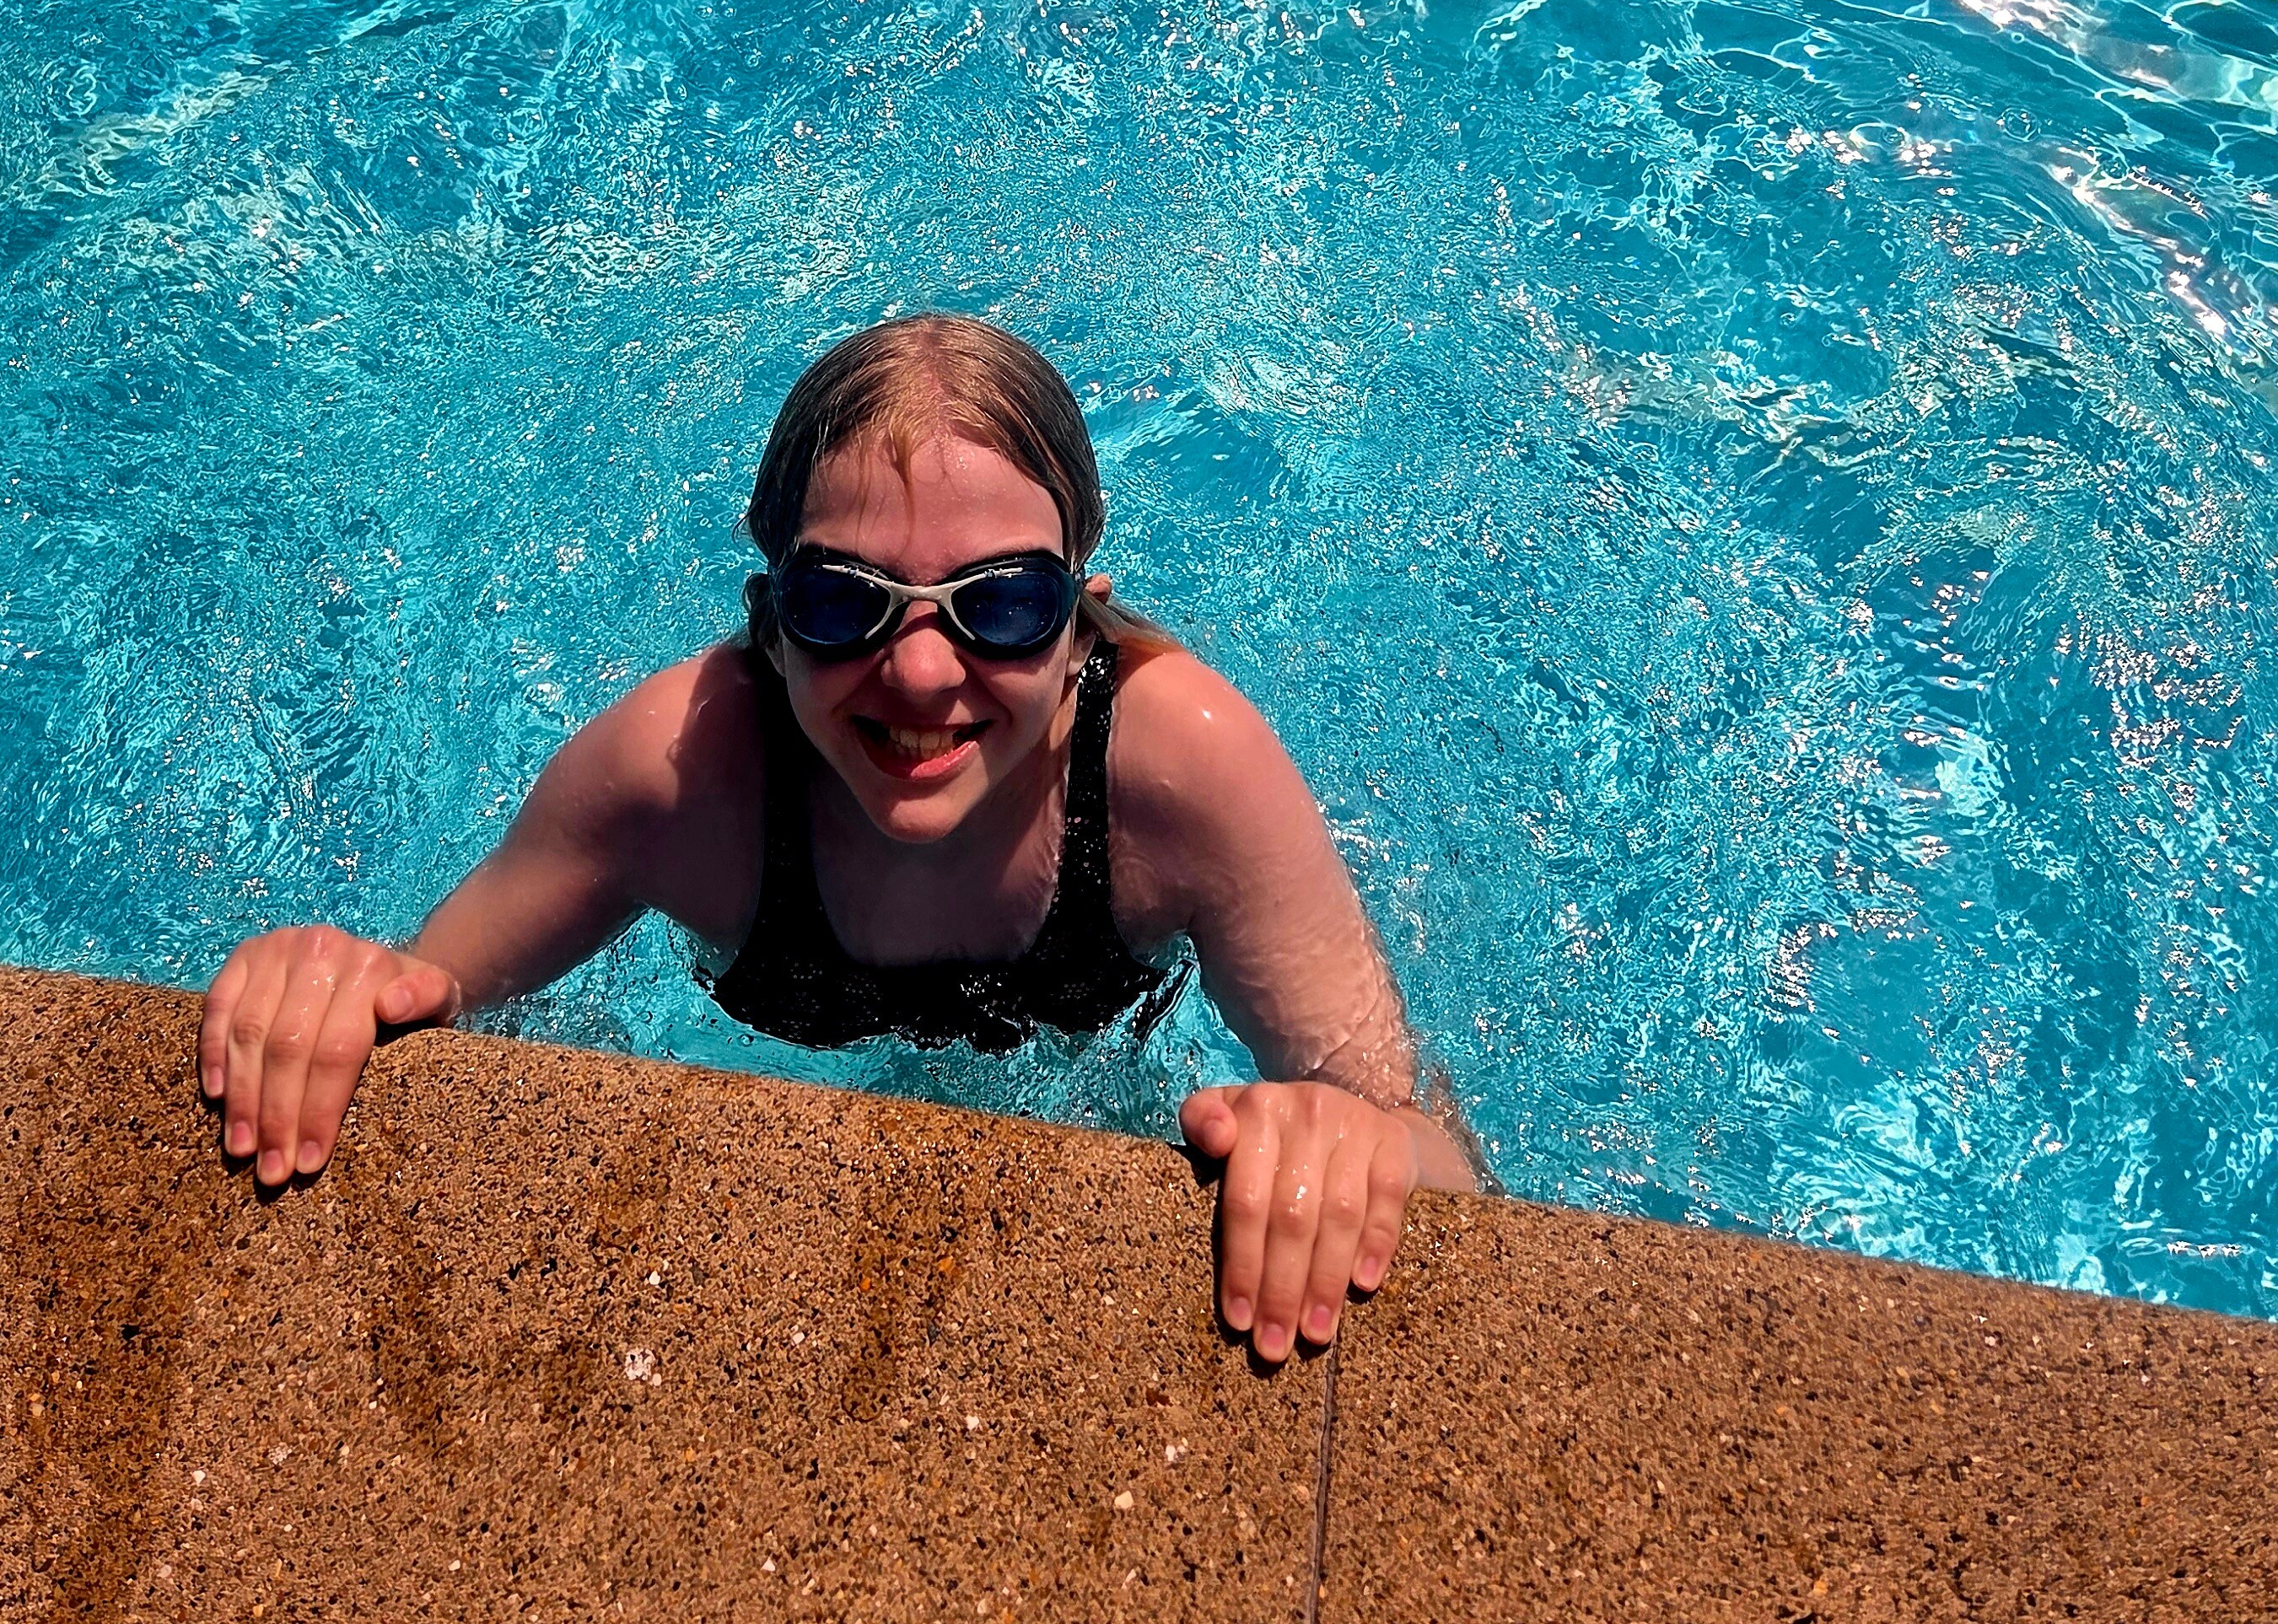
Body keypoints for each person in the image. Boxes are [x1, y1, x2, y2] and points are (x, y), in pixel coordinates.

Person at [199, 313, 1481, 1355]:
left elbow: (1436, 1148)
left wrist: (1359, 1145)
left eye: (1003, 604)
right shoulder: (679, 776)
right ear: (770, 622)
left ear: (1081, 616)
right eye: (842, 602)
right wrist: (328, 989)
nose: (921, 673)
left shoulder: (1182, 771)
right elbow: (424, 999)